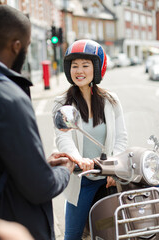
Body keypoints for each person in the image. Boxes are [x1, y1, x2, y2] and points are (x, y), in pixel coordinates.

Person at [0, 4, 75, 240]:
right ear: (17, 45)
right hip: (17, 225)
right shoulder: (9, 97)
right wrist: (64, 171)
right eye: (29, 45)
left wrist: (39, 163)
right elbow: (40, 187)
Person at [52, 39, 128, 240]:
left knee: (115, 232)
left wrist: (114, 166)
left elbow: (121, 138)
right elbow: (63, 138)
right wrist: (79, 160)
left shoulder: (111, 100)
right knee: (72, 236)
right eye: (74, 65)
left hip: (109, 179)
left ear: (96, 68)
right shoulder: (61, 103)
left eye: (85, 65)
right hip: (82, 180)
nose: (79, 70)